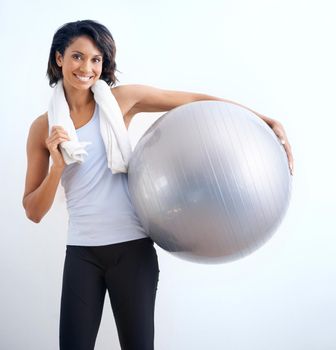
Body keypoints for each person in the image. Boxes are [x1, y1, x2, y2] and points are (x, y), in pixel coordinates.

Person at [22, 19, 294, 350]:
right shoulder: (43, 129)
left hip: (132, 252)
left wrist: (261, 119)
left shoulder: (122, 100)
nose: (87, 68)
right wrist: (57, 169)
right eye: (77, 57)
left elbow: (195, 100)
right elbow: (33, 211)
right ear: (58, 58)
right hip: (82, 253)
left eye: (96, 59)